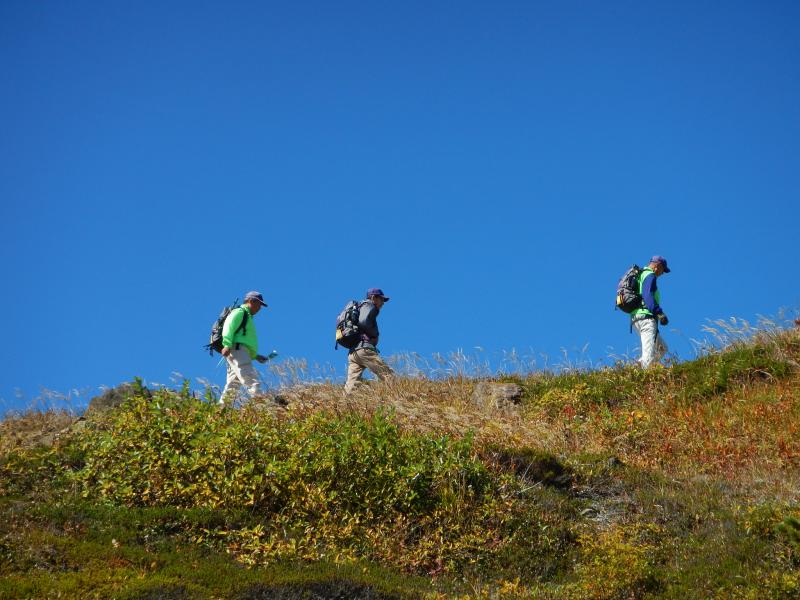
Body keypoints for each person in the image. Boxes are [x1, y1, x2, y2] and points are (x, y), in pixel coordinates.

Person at [220, 291, 271, 404]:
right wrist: (227, 344)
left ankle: (220, 411)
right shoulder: (240, 312)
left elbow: (244, 340)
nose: (259, 308)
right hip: (237, 350)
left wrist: (255, 356)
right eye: (258, 304)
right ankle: (261, 406)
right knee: (252, 381)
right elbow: (229, 326)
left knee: (233, 385)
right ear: (250, 301)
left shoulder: (247, 316)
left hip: (239, 351)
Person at [344, 288, 395, 394]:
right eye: (381, 299)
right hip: (365, 350)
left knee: (351, 385)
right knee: (388, 376)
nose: (382, 303)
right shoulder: (369, 305)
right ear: (373, 297)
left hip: (353, 352)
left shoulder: (358, 308)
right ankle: (397, 399)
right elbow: (364, 322)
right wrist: (375, 334)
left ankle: (343, 407)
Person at [631, 256, 671, 368]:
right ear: (657, 266)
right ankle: (642, 378)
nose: (662, 273)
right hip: (646, 319)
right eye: (663, 270)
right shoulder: (649, 275)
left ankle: (636, 368)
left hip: (637, 317)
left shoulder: (641, 274)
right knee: (648, 356)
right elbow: (647, 296)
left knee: (662, 348)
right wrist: (659, 312)